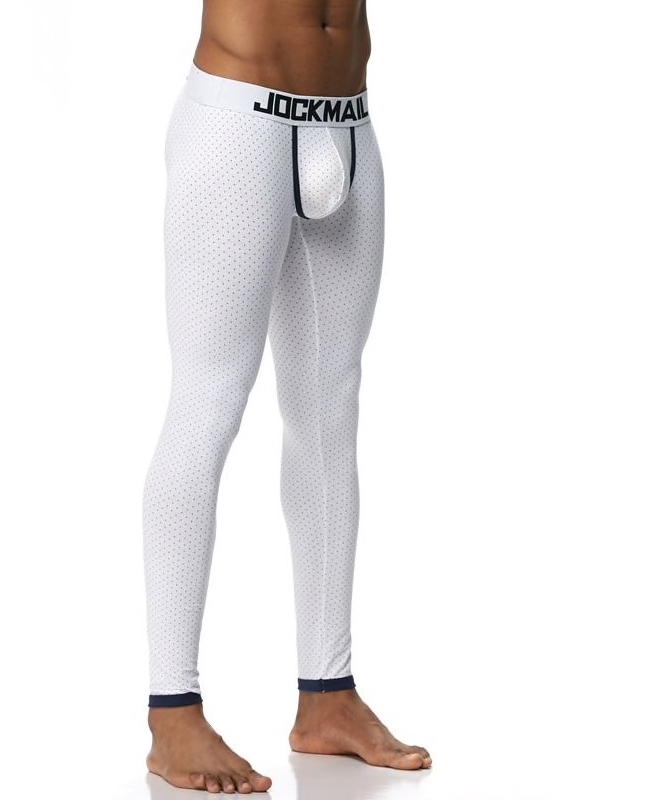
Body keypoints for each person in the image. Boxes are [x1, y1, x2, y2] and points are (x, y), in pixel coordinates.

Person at [142, 0, 432, 793]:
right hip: (241, 123)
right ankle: (172, 712)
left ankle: (328, 697)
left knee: (331, 412)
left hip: (349, 123)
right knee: (208, 405)